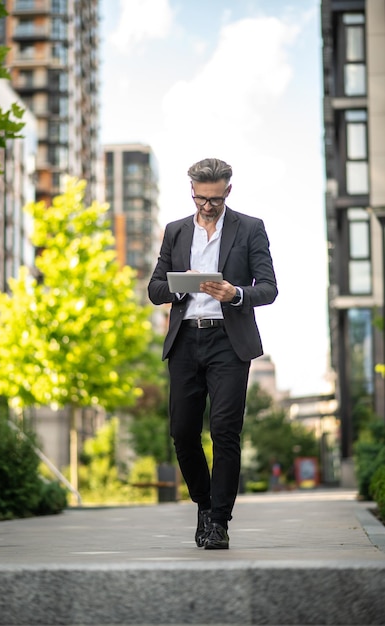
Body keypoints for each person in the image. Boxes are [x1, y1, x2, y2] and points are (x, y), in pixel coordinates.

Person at [148, 158, 278, 549]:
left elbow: (269, 288)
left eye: (215, 199)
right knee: (183, 432)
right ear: (192, 192)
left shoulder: (250, 228)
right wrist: (179, 287)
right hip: (185, 342)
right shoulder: (175, 231)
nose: (207, 206)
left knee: (224, 431)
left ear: (228, 192)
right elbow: (155, 289)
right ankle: (204, 505)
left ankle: (219, 522)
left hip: (228, 341)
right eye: (200, 198)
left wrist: (235, 293)